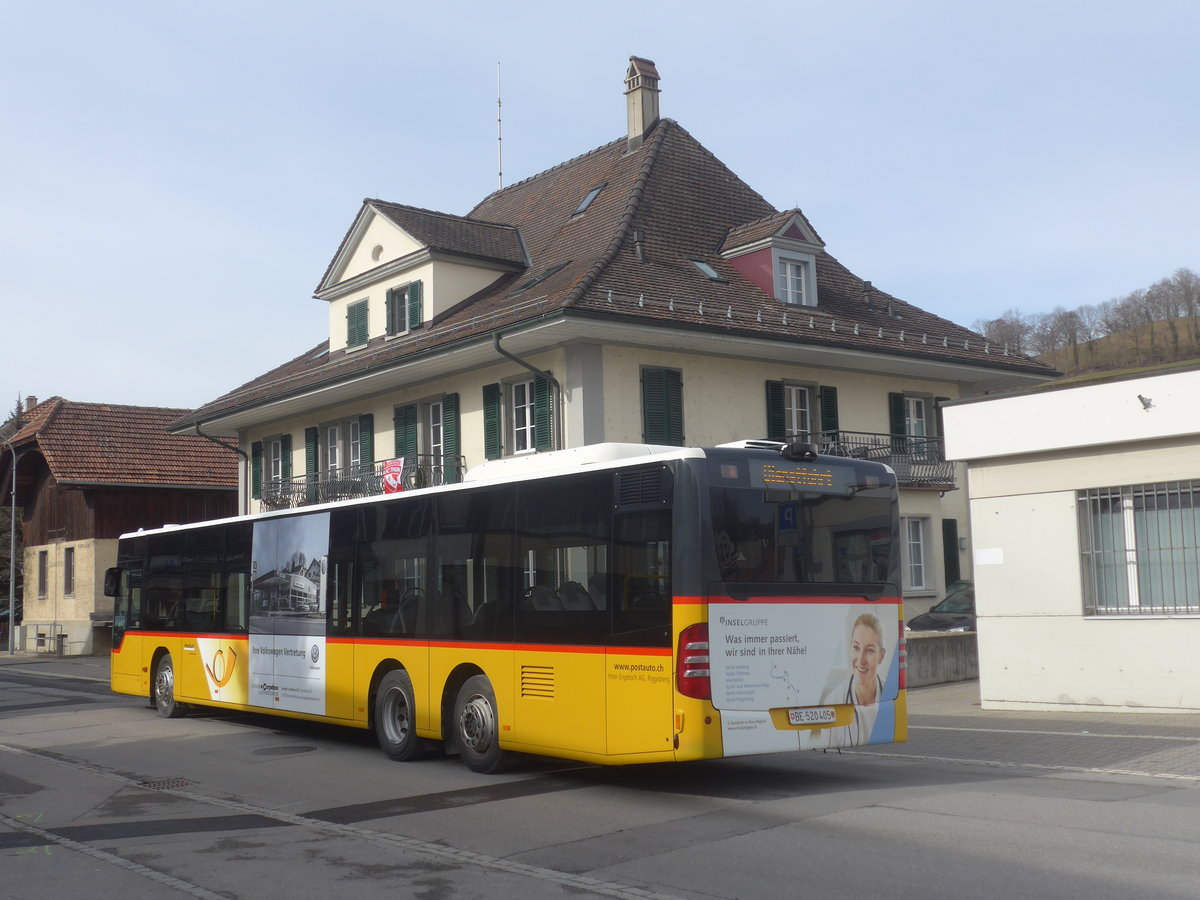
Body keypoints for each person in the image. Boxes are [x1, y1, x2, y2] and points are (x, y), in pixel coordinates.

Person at [810, 613, 888, 748]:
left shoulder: (891, 694)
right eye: (856, 648)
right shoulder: (833, 702)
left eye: (869, 650)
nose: (860, 659)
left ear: (881, 656)